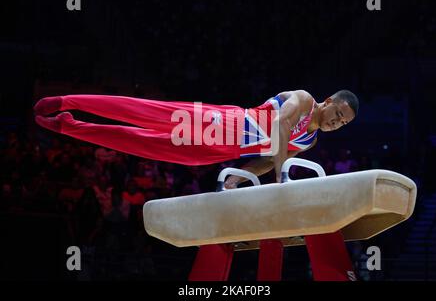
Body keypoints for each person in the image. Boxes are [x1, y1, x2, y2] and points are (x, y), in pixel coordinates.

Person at [34, 89, 358, 185]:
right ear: (328, 101)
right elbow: (280, 125)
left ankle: (69, 126)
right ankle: (69, 102)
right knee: (145, 113)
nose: (336, 122)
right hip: (225, 123)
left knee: (144, 144)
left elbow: (262, 161)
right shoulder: (302, 100)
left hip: (219, 152)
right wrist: (280, 176)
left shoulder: (309, 143)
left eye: (343, 123)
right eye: (338, 113)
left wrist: (241, 178)